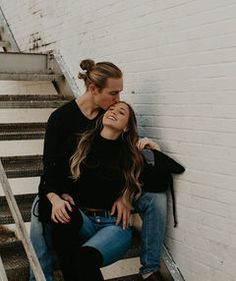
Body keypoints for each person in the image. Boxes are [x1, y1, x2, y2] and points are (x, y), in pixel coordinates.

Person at [29, 59, 183, 281]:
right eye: (113, 93)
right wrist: (57, 195)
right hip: (76, 198)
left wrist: (126, 194)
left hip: (109, 203)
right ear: (93, 89)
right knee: (41, 207)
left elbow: (126, 159)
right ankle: (41, 276)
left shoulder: (108, 115)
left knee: (155, 198)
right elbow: (52, 167)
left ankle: (150, 270)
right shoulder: (62, 120)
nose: (118, 100)